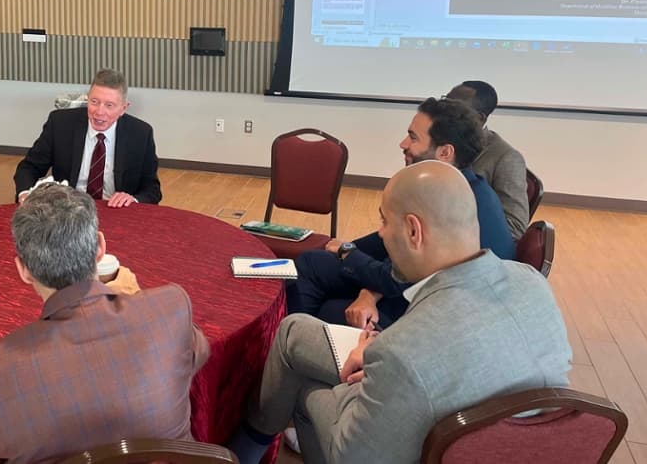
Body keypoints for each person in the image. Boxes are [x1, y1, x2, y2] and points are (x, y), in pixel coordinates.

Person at [229, 160, 571, 464]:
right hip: (503, 440)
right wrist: (383, 359)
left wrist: (376, 367)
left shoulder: (402, 352)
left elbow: (351, 453)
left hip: (416, 439)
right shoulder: (531, 282)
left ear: (413, 230)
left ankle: (246, 447)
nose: (380, 233)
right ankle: (250, 445)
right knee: (294, 331)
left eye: (383, 221)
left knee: (304, 381)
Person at [0, 184, 209, 464]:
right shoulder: (170, 308)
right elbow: (196, 355)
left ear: (23, 270)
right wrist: (134, 298)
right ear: (100, 248)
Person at [291, 97, 514, 330]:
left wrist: (348, 254)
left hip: (432, 316)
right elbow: (388, 248)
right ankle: (295, 338)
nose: (403, 143)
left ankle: (292, 341)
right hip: (421, 292)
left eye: (413, 137)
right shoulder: (469, 187)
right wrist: (345, 250)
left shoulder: (445, 201)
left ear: (445, 152)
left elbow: (396, 276)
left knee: (329, 303)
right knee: (315, 261)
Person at [14, 69, 161, 207]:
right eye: (94, 102)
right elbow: (29, 168)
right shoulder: (60, 124)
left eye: (109, 105)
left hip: (115, 210)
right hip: (67, 211)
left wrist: (133, 199)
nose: (99, 111)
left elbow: (152, 189)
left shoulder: (141, 134)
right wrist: (25, 193)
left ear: (123, 108)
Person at [446, 80, 531, 238]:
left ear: (478, 118)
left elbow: (515, 227)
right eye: (445, 102)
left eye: (454, 108)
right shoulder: (439, 141)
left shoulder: (506, 158)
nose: (442, 112)